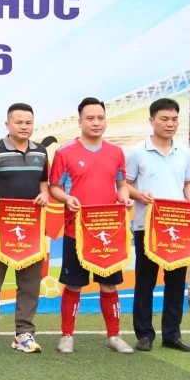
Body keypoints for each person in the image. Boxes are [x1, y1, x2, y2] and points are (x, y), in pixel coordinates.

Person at [48, 97, 134, 354]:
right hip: (76, 230)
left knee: (110, 284)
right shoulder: (65, 153)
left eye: (100, 118)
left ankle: (114, 336)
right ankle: (67, 336)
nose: (96, 123)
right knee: (73, 284)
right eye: (90, 118)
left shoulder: (116, 152)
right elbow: (54, 188)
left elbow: (121, 185)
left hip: (108, 232)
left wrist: (125, 198)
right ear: (80, 122)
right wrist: (67, 198)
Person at [125, 98, 190, 353]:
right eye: (164, 119)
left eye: (174, 119)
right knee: (145, 281)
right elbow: (124, 185)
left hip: (178, 227)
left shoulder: (184, 152)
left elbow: (188, 183)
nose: (170, 124)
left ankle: (172, 334)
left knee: (176, 282)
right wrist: (139, 195)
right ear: (152, 120)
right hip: (147, 226)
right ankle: (144, 334)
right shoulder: (137, 152)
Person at [0, 102, 50, 354]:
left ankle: (24, 334)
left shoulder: (41, 152)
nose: (24, 127)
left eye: (28, 122)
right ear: (7, 124)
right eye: (19, 122)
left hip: (31, 227)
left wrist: (44, 195)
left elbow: (43, 183)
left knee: (30, 283)